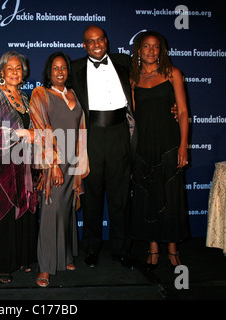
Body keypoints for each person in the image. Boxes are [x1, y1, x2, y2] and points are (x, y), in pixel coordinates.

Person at [71, 25, 136, 268]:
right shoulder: (75, 68)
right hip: (92, 135)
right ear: (84, 45)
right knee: (93, 196)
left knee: (120, 196)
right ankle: (91, 248)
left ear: (106, 41)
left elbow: (149, 83)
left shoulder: (124, 62)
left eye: (100, 40)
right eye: (91, 41)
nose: (96, 44)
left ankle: (121, 248)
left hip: (120, 132)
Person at [129, 31, 190, 269]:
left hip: (169, 143)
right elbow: (132, 115)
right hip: (144, 144)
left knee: (171, 196)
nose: (151, 51)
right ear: (139, 51)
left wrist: (184, 145)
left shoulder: (173, 74)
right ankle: (153, 246)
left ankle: (172, 249)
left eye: (156, 47)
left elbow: (183, 112)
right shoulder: (134, 79)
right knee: (148, 195)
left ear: (162, 50)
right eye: (146, 46)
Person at [29, 52, 89, 287]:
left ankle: (64, 257)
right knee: (50, 211)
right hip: (52, 161)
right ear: (48, 71)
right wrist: (54, 164)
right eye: (55, 68)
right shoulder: (40, 94)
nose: (60, 72)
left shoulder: (74, 95)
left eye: (63, 68)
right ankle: (44, 267)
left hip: (73, 161)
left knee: (66, 209)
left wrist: (79, 163)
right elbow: (41, 130)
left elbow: (81, 129)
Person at [0, 51, 38, 284]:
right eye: (10, 68)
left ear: (23, 72)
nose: (15, 72)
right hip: (4, 163)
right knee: (6, 212)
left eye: (18, 68)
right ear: (2, 72)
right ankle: (3, 266)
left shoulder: (25, 98)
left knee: (24, 212)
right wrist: (19, 133)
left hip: (25, 162)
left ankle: (21, 259)